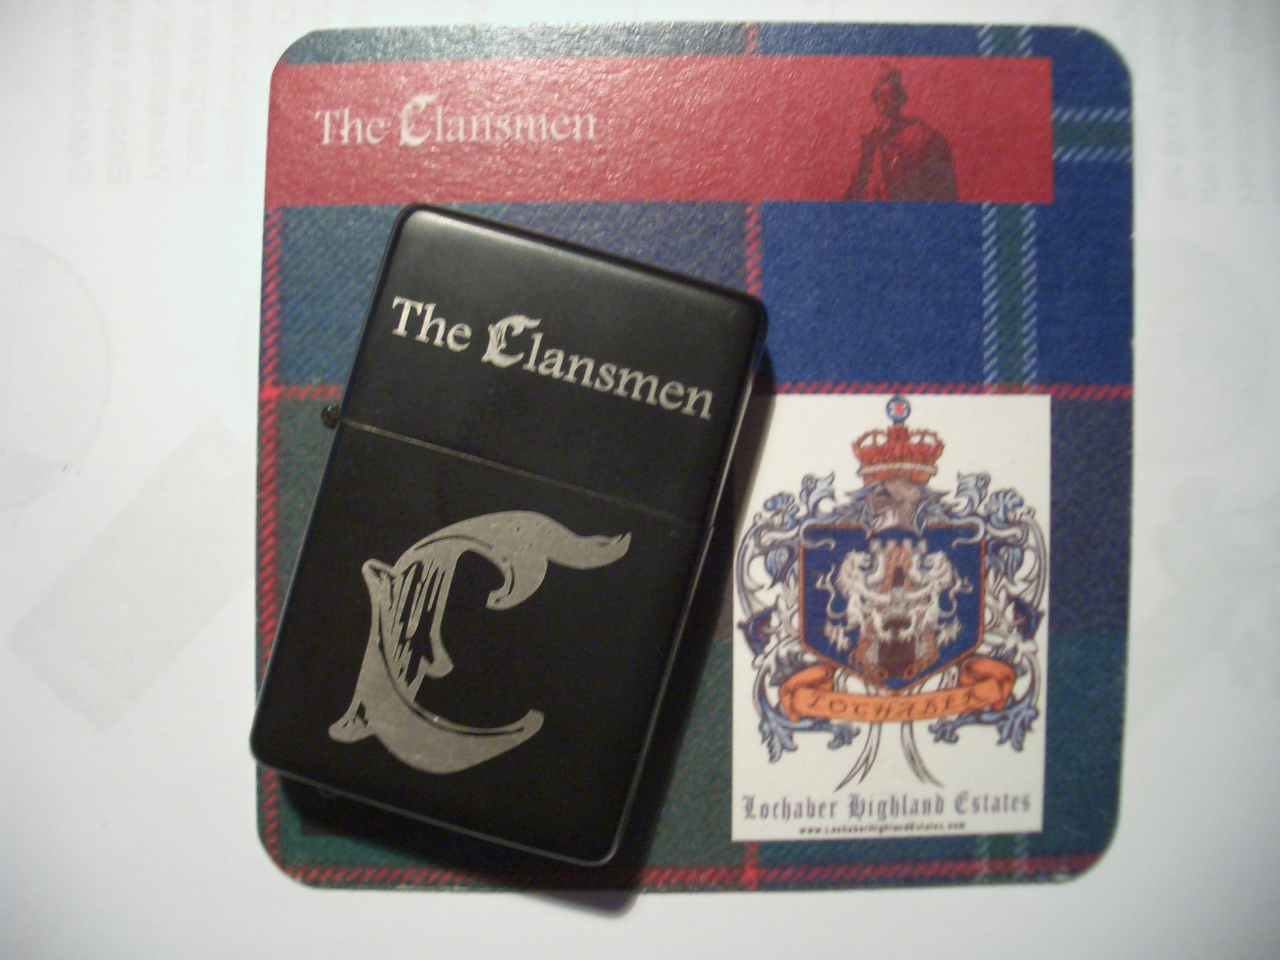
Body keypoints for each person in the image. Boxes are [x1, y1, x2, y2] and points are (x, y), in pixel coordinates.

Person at [844, 70, 958, 202]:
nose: (882, 99)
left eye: (889, 93)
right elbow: (853, 189)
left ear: (899, 97)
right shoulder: (868, 142)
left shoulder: (921, 136)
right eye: (878, 93)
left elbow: (943, 189)